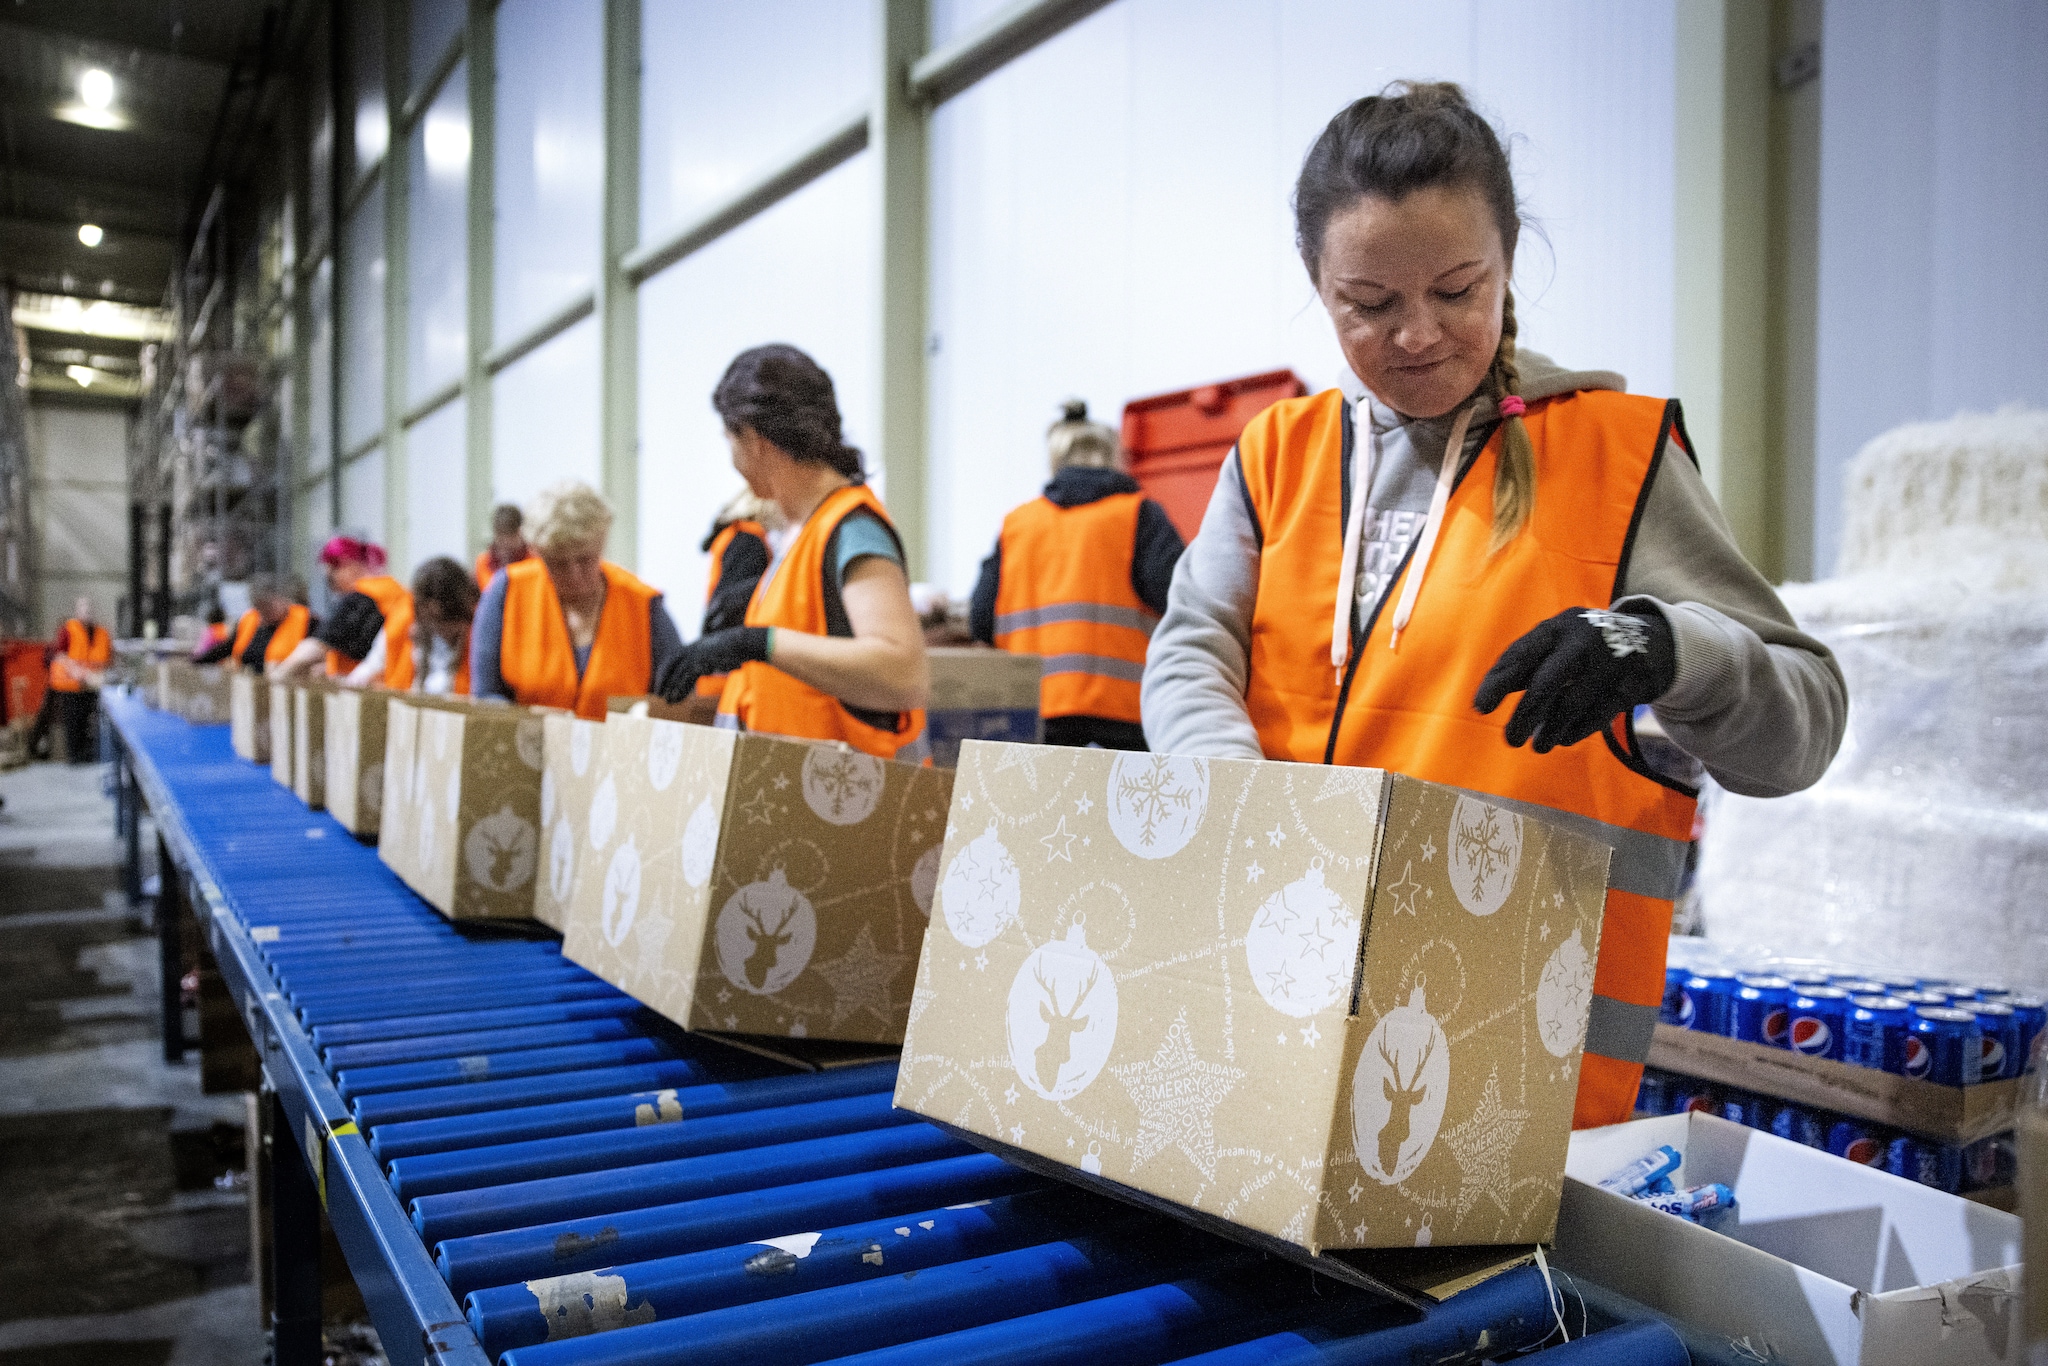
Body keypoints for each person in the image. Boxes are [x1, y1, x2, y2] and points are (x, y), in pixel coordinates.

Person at [1141, 83, 1847, 1130]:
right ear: (1317, 286)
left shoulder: (1614, 455)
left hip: (1510, 1076)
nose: (1416, 334)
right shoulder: (1275, 456)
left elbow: (1803, 728)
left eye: (1456, 290)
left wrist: (1665, 648)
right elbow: (1191, 651)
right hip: (1272, 1014)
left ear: (1507, 261)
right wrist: (1242, 802)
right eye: (1368, 303)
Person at [656, 344, 930, 762]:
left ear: (754, 440)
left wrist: (756, 642)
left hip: (851, 795)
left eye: (729, 439)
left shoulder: (852, 529)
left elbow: (903, 674)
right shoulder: (800, 533)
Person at [970, 400, 1185, 750]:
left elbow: (981, 620)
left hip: (1031, 716)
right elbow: (1183, 600)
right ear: (1114, 456)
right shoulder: (1138, 515)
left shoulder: (1017, 525)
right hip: (1124, 714)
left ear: (1055, 459)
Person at [471, 482, 685, 719]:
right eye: (558, 564)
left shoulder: (643, 605)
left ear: (601, 545)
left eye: (585, 560)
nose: (574, 575)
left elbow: (677, 702)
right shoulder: (507, 592)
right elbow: (486, 696)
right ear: (537, 553)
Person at [272, 537, 410, 681]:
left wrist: (278, 676)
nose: (331, 585)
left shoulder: (362, 598)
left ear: (347, 565)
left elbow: (318, 645)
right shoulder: (392, 592)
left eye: (331, 577)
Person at [693, 491, 777, 703]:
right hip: (731, 680)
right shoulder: (748, 541)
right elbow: (732, 608)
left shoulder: (732, 536)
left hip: (719, 677)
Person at [350, 557, 476, 695]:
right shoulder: (401, 623)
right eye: (430, 619)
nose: (440, 628)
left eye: (447, 619)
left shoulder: (478, 635)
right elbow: (369, 668)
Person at [199, 575, 314, 671]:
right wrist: (198, 660)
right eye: (259, 608)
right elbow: (228, 647)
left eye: (268, 606)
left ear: (281, 597)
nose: (264, 614)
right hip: (249, 682)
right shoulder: (250, 620)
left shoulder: (307, 620)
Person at [47, 596, 112, 765]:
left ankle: (87, 753)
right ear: (77, 611)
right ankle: (74, 756)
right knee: (73, 721)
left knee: (87, 720)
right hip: (71, 684)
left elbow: (106, 658)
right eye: (83, 609)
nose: (87, 613)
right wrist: (75, 671)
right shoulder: (68, 630)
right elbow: (59, 654)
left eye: (89, 609)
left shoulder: (100, 632)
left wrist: (98, 676)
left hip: (91, 685)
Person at [475, 503, 532, 592]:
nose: (505, 543)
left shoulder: (533, 562)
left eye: (510, 536)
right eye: (501, 537)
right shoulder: (483, 563)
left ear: (519, 532)